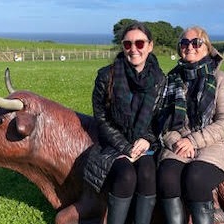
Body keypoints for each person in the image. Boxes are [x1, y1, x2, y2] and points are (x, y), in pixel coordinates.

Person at [83, 21, 165, 224]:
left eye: (139, 43)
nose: (133, 49)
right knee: (126, 175)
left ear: (150, 45)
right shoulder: (106, 76)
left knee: (147, 173)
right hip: (113, 145)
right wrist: (125, 147)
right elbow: (101, 119)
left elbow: (161, 118)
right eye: (128, 44)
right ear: (122, 46)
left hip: (145, 145)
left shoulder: (159, 79)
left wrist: (147, 138)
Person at [156, 26, 224, 224]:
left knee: (196, 178)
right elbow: (162, 119)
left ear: (207, 47)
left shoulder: (219, 78)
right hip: (178, 143)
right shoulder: (171, 79)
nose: (189, 47)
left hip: (212, 144)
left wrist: (193, 141)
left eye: (196, 42)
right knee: (167, 177)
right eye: (184, 43)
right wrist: (175, 141)